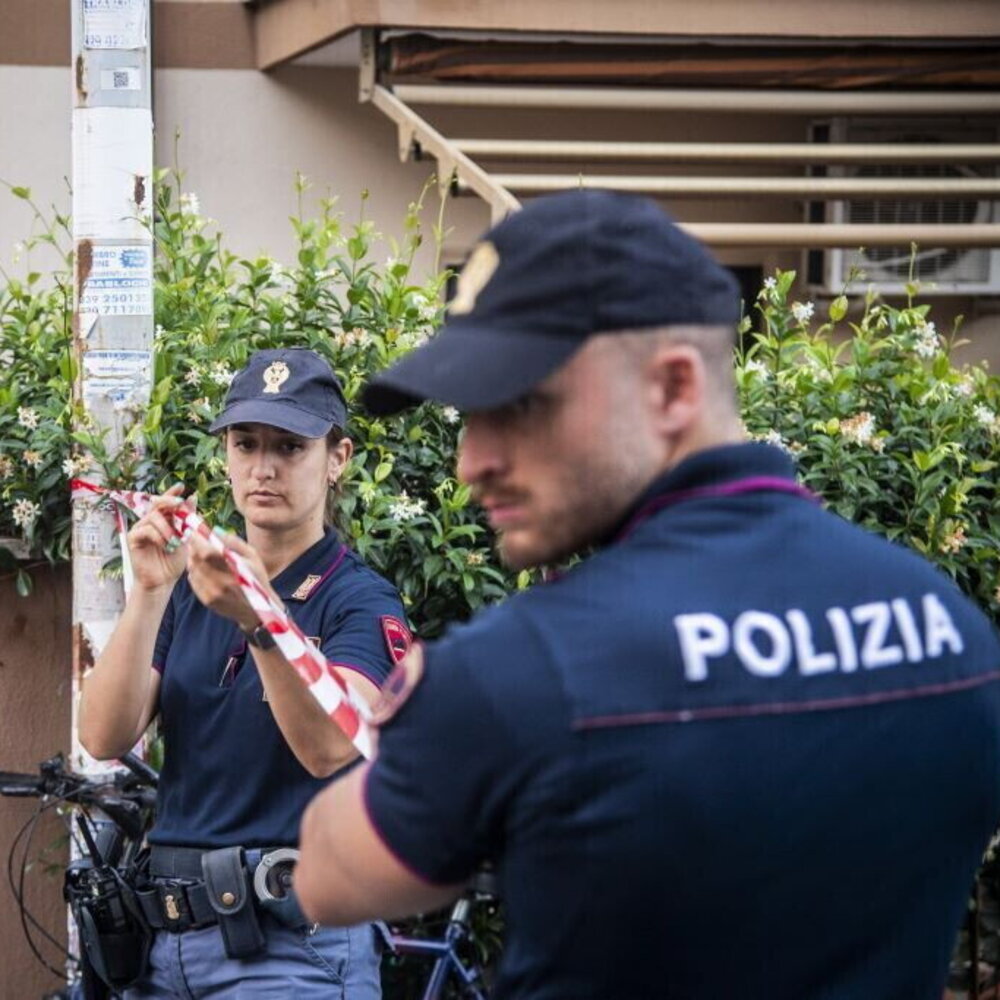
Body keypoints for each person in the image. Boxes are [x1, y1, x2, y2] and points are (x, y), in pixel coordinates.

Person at [294, 190, 1000, 999]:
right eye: (468, 416)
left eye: (520, 406)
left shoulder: (526, 671)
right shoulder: (949, 631)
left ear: (671, 388)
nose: (471, 461)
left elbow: (327, 880)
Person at [79, 347, 408, 998]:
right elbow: (102, 735)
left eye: (290, 447)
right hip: (162, 951)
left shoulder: (362, 601)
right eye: (245, 443)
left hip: (291, 953)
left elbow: (330, 748)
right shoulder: (190, 592)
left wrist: (261, 621)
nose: (263, 467)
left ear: (336, 459)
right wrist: (148, 590)